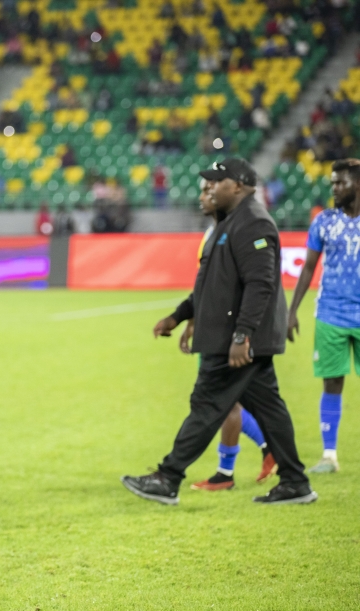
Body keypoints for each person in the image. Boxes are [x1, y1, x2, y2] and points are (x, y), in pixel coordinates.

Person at [122, 158, 315, 505]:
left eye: (216, 181)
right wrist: (179, 316)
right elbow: (211, 287)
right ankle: (296, 482)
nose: (208, 188)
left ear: (239, 185)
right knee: (269, 408)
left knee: (207, 404)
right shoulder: (228, 224)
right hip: (233, 337)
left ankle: (168, 478)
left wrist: (242, 336)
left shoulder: (253, 223)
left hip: (235, 341)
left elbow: (261, 284)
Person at [179, 178, 277, 491]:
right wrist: (191, 321)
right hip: (217, 330)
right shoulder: (215, 233)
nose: (203, 197)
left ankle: (225, 473)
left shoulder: (234, 232)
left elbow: (249, 284)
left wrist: (239, 333)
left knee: (224, 403)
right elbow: (207, 288)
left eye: (209, 192)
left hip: (227, 333)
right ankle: (268, 447)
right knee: (232, 401)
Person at [287, 158, 360, 474]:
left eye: (340, 183)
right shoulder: (324, 221)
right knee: (331, 383)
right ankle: (329, 456)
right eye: (332, 183)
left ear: (356, 184)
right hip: (330, 312)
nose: (334, 188)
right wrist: (291, 311)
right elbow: (308, 268)